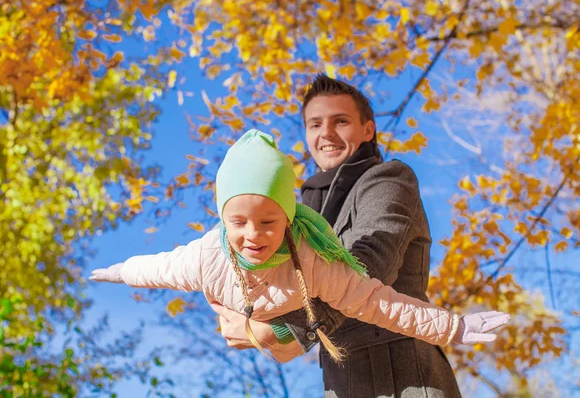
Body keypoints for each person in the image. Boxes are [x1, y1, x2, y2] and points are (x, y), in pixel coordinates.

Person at [90, 129, 509, 367]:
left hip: (286, 324)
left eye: (269, 221)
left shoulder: (312, 262)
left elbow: (378, 302)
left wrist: (453, 327)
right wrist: (121, 270)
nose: (253, 234)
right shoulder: (206, 256)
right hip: (243, 312)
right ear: (222, 219)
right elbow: (158, 268)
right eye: (238, 222)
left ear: (289, 218)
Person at [213, 75, 466, 398]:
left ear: (368, 130)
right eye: (315, 125)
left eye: (340, 121)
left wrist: (280, 329)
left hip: (402, 378)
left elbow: (370, 264)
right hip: (340, 383)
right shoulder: (304, 216)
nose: (326, 133)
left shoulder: (388, 179)